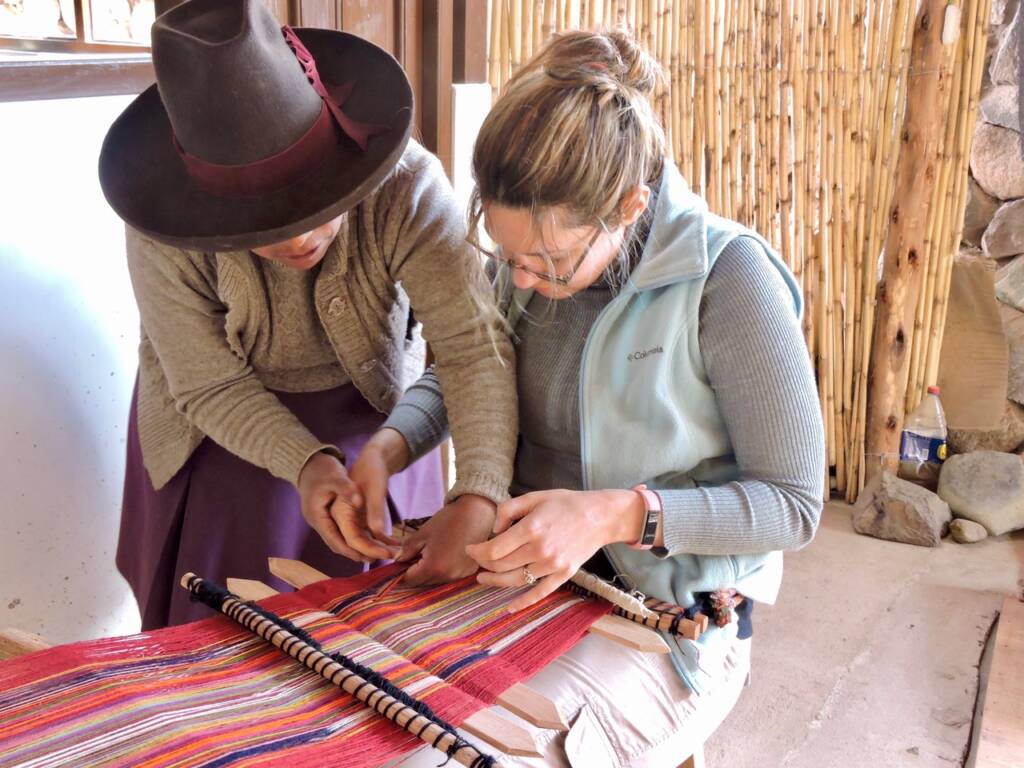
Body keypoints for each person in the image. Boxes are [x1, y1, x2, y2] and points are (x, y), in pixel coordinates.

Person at [356, 28, 826, 766]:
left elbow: (793, 505)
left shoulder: (729, 278)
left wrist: (614, 513)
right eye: (507, 255)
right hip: (517, 577)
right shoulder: (527, 260)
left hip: (669, 619)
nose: (520, 280)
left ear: (631, 206)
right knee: (361, 722)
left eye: (547, 261)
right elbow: (469, 370)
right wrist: (389, 444)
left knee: (449, 755)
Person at [99, 0, 516, 629]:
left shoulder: (408, 187)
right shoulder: (164, 224)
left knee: (382, 631)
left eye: (319, 205)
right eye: (267, 225)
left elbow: (472, 346)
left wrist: (479, 493)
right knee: (221, 638)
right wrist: (307, 463)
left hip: (379, 419)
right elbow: (207, 381)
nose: (302, 238)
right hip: (217, 428)